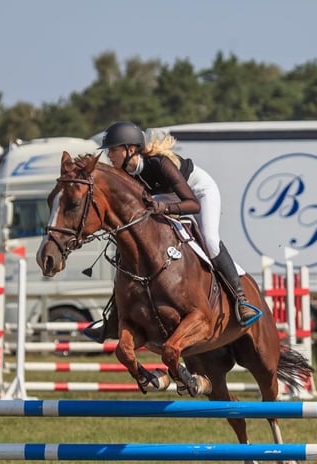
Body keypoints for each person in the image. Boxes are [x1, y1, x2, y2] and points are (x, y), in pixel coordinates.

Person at [83, 121, 261, 342]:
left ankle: (241, 300)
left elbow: (192, 204)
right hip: (164, 197)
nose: (109, 155)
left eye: (113, 150)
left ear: (130, 149)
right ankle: (113, 316)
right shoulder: (126, 174)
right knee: (128, 248)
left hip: (197, 192)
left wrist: (166, 208)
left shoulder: (160, 164)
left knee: (210, 240)